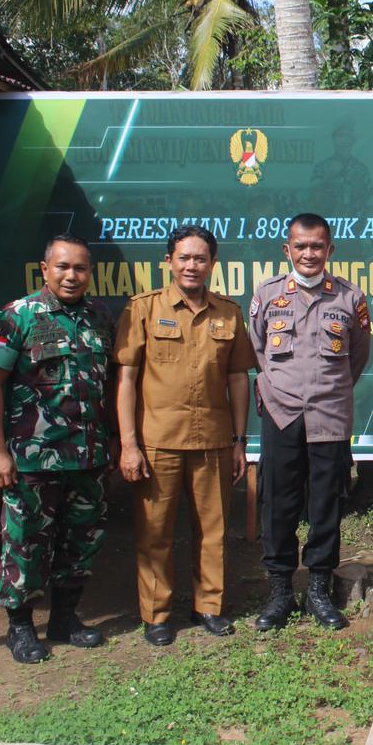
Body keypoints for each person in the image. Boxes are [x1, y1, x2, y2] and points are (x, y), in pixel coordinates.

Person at [114, 225, 256, 646]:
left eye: (200, 258)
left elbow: (238, 379)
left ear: (213, 264)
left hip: (213, 441)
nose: (192, 265)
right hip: (157, 442)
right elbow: (126, 379)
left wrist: (239, 441)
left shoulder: (228, 313)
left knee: (213, 532)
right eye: (184, 258)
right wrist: (128, 443)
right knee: (154, 533)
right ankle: (156, 615)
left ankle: (208, 606)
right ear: (168, 262)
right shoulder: (141, 309)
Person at [0, 234, 115, 663]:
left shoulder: (98, 316)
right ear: (45, 269)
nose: (72, 276)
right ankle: (19, 628)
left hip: (87, 456)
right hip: (32, 457)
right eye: (63, 267)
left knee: (82, 539)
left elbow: (104, 383)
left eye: (80, 268)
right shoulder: (19, 316)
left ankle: (64, 619)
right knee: (25, 543)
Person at [247, 213, 370, 631]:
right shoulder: (267, 295)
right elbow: (259, 350)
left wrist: (325, 391)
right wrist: (286, 390)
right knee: (278, 504)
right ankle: (280, 591)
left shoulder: (350, 298)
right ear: (287, 250)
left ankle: (319, 588)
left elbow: (357, 357)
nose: (309, 253)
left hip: (330, 416)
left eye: (317, 246)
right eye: (301, 246)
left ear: (330, 250)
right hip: (282, 414)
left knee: (325, 505)